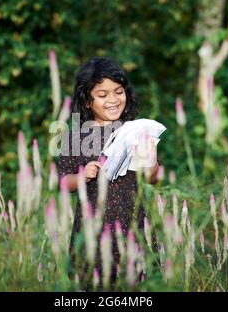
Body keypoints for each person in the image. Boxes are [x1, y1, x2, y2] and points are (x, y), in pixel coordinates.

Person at [58, 57, 160, 289]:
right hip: (91, 230)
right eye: (103, 95)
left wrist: (150, 158)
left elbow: (152, 177)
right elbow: (62, 182)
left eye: (118, 92)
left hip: (133, 226)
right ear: (86, 101)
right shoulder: (75, 137)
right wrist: (82, 175)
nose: (113, 100)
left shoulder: (134, 131)